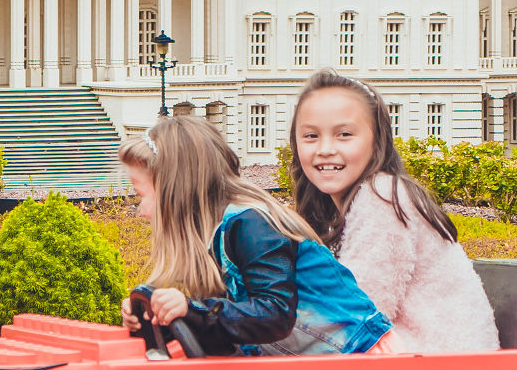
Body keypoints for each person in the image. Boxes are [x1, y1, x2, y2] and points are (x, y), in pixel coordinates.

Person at [117, 115, 390, 357]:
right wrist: (158, 320)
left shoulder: (251, 225)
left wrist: (193, 310)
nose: (141, 211)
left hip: (362, 361)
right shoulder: (213, 238)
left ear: (175, 191)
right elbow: (230, 329)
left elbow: (274, 315)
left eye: (141, 195)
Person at [286, 71, 500, 354]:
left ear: (377, 141)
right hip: (415, 362)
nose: (325, 149)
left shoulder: (384, 196)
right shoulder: (339, 210)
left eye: (344, 135)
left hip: (439, 368)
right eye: (311, 136)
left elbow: (357, 311)